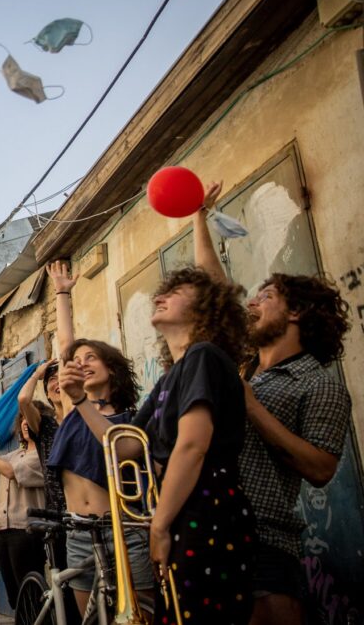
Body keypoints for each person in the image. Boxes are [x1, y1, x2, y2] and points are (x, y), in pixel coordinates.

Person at [194, 181, 352, 625]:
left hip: (264, 537)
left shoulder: (320, 384)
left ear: (296, 313)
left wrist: (251, 406)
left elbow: (321, 469)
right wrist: (199, 217)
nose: (252, 302)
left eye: (266, 296)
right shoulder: (244, 360)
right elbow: (213, 281)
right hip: (209, 525)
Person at [64, 266, 256, 623]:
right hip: (184, 506)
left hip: (206, 503)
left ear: (206, 308)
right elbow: (122, 446)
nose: (161, 296)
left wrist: (159, 525)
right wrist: (79, 400)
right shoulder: (173, 374)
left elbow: (192, 445)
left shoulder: (204, 356)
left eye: (178, 291)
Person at [44, 261, 155, 618]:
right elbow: (66, 346)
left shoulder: (127, 422)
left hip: (124, 530)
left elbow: (114, 446)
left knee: (142, 615)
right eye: (77, 360)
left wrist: (80, 398)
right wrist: (62, 293)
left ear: (112, 369)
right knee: (91, 618)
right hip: (78, 532)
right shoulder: (70, 407)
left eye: (92, 357)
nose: (82, 363)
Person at [0, 405, 49, 612]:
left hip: (27, 529)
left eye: (31, 417)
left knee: (31, 595)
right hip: (3, 529)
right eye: (22, 418)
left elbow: (9, 471)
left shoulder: (44, 454)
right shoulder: (14, 454)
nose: (26, 423)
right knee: (15, 598)